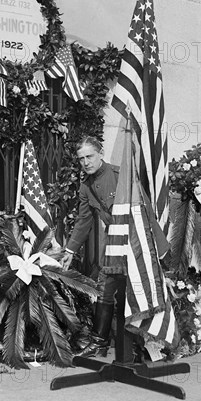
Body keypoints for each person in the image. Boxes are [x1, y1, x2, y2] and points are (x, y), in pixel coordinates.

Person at [60, 136, 141, 361]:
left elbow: (142, 211)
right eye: (81, 159)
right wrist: (69, 251)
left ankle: (141, 344)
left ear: (100, 153)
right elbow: (84, 220)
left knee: (137, 290)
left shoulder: (119, 176)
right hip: (113, 243)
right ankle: (99, 342)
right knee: (105, 286)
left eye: (90, 156)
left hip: (134, 241)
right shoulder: (86, 187)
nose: (86, 162)